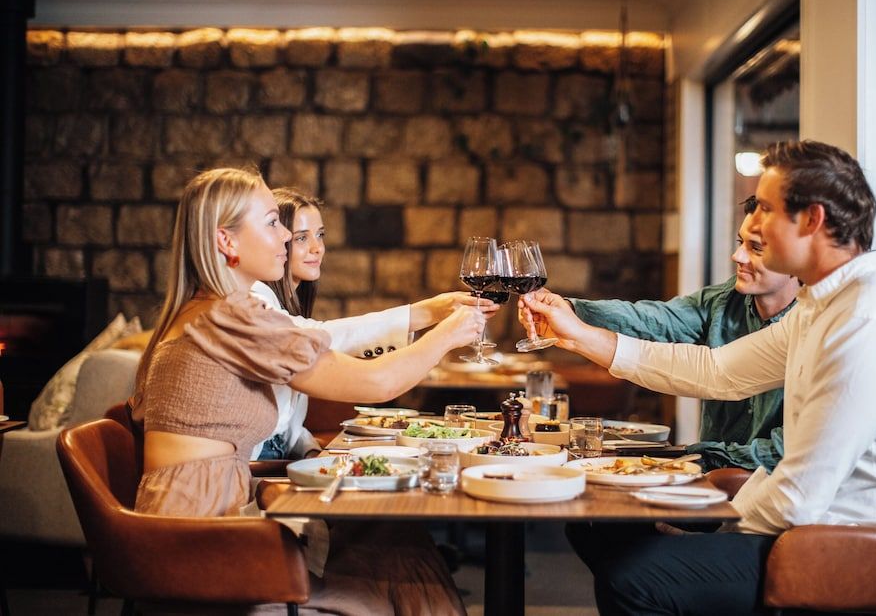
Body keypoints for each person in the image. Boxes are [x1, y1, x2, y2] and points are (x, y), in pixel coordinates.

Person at [522, 140, 876, 616]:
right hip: (813, 530)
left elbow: (798, 498)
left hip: (857, 555)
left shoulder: (866, 323)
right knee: (614, 532)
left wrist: (713, 528)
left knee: (634, 581)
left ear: (813, 220)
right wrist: (578, 337)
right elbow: (718, 371)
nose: (753, 226)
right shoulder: (822, 307)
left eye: (765, 208)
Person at [129, 167, 480, 614]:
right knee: (400, 570)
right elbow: (377, 383)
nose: (285, 239)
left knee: (401, 551)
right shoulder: (228, 317)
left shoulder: (205, 311)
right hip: (201, 545)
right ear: (226, 241)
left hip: (206, 523)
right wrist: (448, 334)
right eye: (273, 223)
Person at [544, 195, 798, 471]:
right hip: (708, 478)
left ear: (795, 255)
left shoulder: (808, 326)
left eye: (756, 248)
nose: (737, 256)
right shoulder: (724, 301)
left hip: (774, 492)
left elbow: (790, 449)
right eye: (740, 243)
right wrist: (571, 310)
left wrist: (702, 460)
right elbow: (656, 320)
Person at [250, 187, 497, 461]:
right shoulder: (253, 298)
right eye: (300, 238)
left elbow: (286, 425)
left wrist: (309, 449)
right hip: (256, 467)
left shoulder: (282, 302)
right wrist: (429, 317)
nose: (317, 247)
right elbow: (321, 338)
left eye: (320, 235)